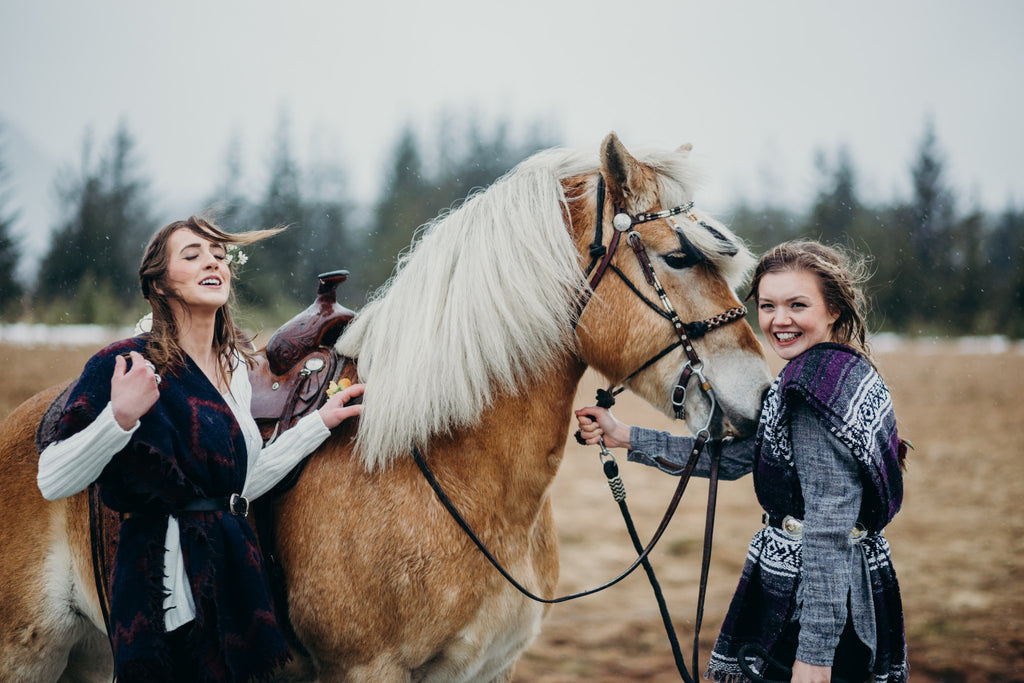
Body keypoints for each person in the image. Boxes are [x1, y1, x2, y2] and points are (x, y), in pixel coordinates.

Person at [37, 216, 365, 682]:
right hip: (162, 584)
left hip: (230, 578)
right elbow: (52, 478)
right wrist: (119, 419)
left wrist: (319, 424)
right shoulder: (125, 362)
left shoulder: (233, 372)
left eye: (219, 256)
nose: (212, 262)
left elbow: (240, 486)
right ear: (161, 283)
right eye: (192, 256)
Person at [576, 241, 908, 683]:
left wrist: (815, 656)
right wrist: (625, 436)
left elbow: (828, 529)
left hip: (813, 606)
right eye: (768, 305)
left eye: (797, 305)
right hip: (841, 590)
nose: (779, 319)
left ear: (833, 310)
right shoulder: (840, 369)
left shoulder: (811, 394)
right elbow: (737, 458)